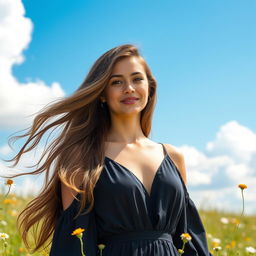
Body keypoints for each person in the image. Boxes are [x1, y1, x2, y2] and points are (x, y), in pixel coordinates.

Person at [3, 44, 213, 255]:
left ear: (150, 87)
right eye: (117, 82)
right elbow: (73, 244)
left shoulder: (174, 157)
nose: (129, 88)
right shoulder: (81, 157)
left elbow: (189, 237)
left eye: (137, 79)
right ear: (102, 93)